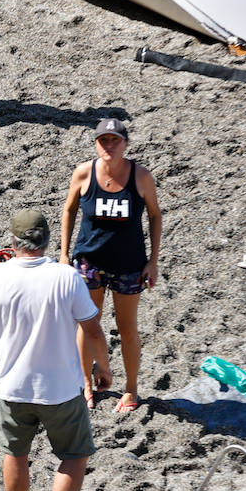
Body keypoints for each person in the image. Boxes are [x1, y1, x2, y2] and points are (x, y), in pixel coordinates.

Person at [0, 209, 112, 491]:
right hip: (61, 389)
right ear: (47, 239)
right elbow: (92, 329)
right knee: (74, 455)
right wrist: (104, 368)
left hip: (12, 386)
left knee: (15, 455)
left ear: (13, 240)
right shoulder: (67, 277)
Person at [59, 118, 162, 414]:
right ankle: (85, 385)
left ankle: (131, 390)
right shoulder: (83, 173)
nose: (109, 146)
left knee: (127, 328)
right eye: (103, 140)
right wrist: (64, 255)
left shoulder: (140, 177)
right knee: (88, 324)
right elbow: (68, 210)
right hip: (90, 263)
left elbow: (155, 216)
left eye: (115, 140)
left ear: (126, 144)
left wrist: (153, 261)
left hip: (129, 265)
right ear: (96, 143)